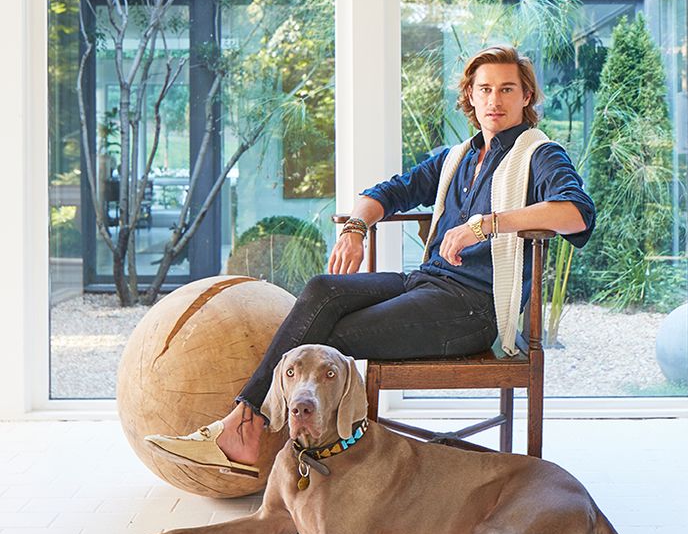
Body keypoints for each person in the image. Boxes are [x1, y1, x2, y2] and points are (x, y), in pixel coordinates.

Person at [145, 45, 595, 475]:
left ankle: (245, 426)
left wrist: (486, 224)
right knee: (323, 289)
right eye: (485, 89)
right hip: (426, 282)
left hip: (474, 309)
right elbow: (386, 192)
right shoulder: (458, 157)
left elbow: (576, 214)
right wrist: (356, 229)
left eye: (507, 89)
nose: (494, 99)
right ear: (470, 96)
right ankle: (247, 424)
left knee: (328, 333)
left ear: (526, 96)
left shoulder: (538, 154)